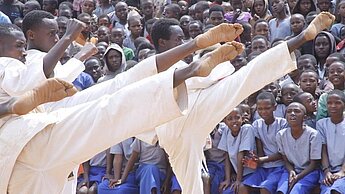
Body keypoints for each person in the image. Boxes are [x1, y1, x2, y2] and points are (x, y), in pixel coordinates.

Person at [0, 21, 245, 193]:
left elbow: (43, 79)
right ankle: (189, 62)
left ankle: (190, 63)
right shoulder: (16, 64)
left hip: (40, 126)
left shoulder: (27, 64)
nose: (56, 36)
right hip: (35, 127)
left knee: (116, 97)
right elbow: (32, 79)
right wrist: (70, 43)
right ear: (31, 34)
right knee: (115, 100)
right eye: (51, 32)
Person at [124, 12, 335, 194]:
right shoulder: (157, 66)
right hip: (187, 110)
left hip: (179, 118)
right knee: (246, 77)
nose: (182, 43)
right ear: (162, 42)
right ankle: (298, 39)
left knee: (192, 181)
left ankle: (214, 68)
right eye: (178, 39)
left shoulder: (153, 67)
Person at [242, 92, 288, 194]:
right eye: (260, 109)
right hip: (264, 167)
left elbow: (283, 153)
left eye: (267, 108)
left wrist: (261, 160)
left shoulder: (283, 123)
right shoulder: (257, 124)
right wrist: (254, 159)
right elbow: (260, 149)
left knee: (264, 188)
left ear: (274, 107)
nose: (263, 112)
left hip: (279, 166)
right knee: (242, 187)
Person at [276, 102, 321, 194]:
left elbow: (314, 164)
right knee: (281, 190)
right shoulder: (281, 135)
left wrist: (298, 177)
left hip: (309, 172)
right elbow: (285, 159)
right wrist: (291, 171)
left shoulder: (313, 134)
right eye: (289, 111)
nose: (292, 114)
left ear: (304, 117)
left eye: (296, 111)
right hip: (291, 170)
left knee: (296, 191)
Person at [218, 108, 256, 194]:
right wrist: (227, 179)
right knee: (224, 190)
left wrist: (239, 180)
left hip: (251, 172)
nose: (234, 121)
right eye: (230, 119)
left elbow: (241, 154)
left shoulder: (247, 129)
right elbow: (227, 156)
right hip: (239, 173)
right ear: (225, 121)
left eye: (237, 118)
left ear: (242, 118)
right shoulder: (226, 131)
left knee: (241, 188)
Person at [317, 90, 345, 194]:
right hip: (327, 169)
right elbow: (323, 149)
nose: (333, 106)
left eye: (337, 103)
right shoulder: (321, 124)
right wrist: (327, 171)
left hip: (343, 169)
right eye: (329, 103)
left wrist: (342, 171)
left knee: (336, 190)